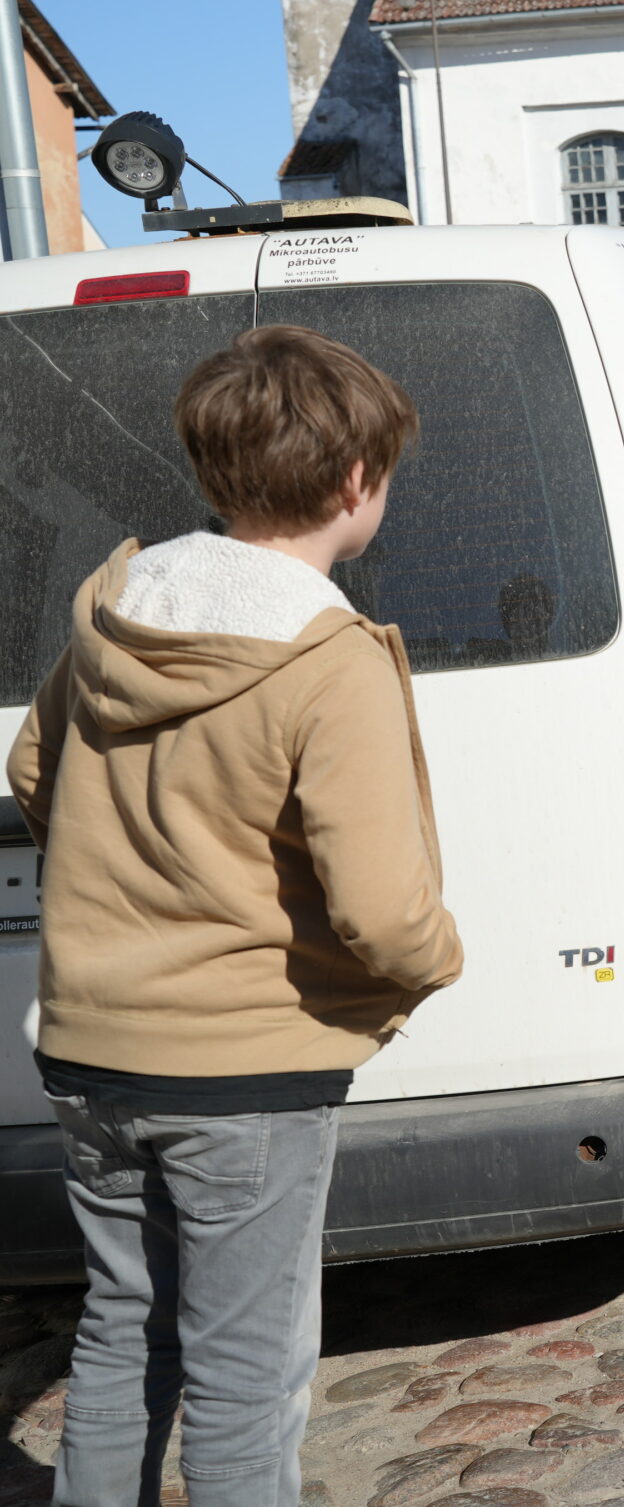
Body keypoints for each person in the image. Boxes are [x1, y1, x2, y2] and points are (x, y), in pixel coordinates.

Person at [6, 325, 465, 1507]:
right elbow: (381, 908)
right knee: (244, 1386)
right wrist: (435, 962)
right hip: (244, 1076)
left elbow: (32, 769)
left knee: (123, 1336)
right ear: (357, 481)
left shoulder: (118, 607)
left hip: (89, 1051)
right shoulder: (327, 657)